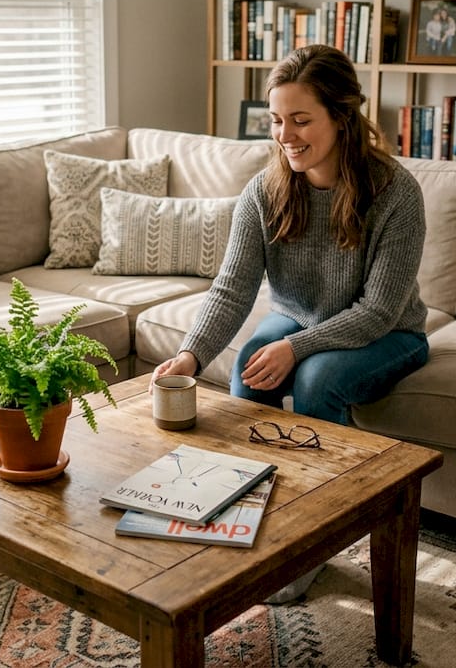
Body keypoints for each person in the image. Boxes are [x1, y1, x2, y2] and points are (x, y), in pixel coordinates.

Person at [151, 44, 429, 603]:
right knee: (251, 371)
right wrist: (191, 355)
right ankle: (252, 526)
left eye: (301, 120)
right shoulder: (265, 190)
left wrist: (297, 348)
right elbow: (231, 287)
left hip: (391, 332)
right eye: (277, 119)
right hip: (304, 318)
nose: (285, 134)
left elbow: (377, 310)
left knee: (315, 379)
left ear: (343, 116)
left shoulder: (396, 193)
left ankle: (313, 542)